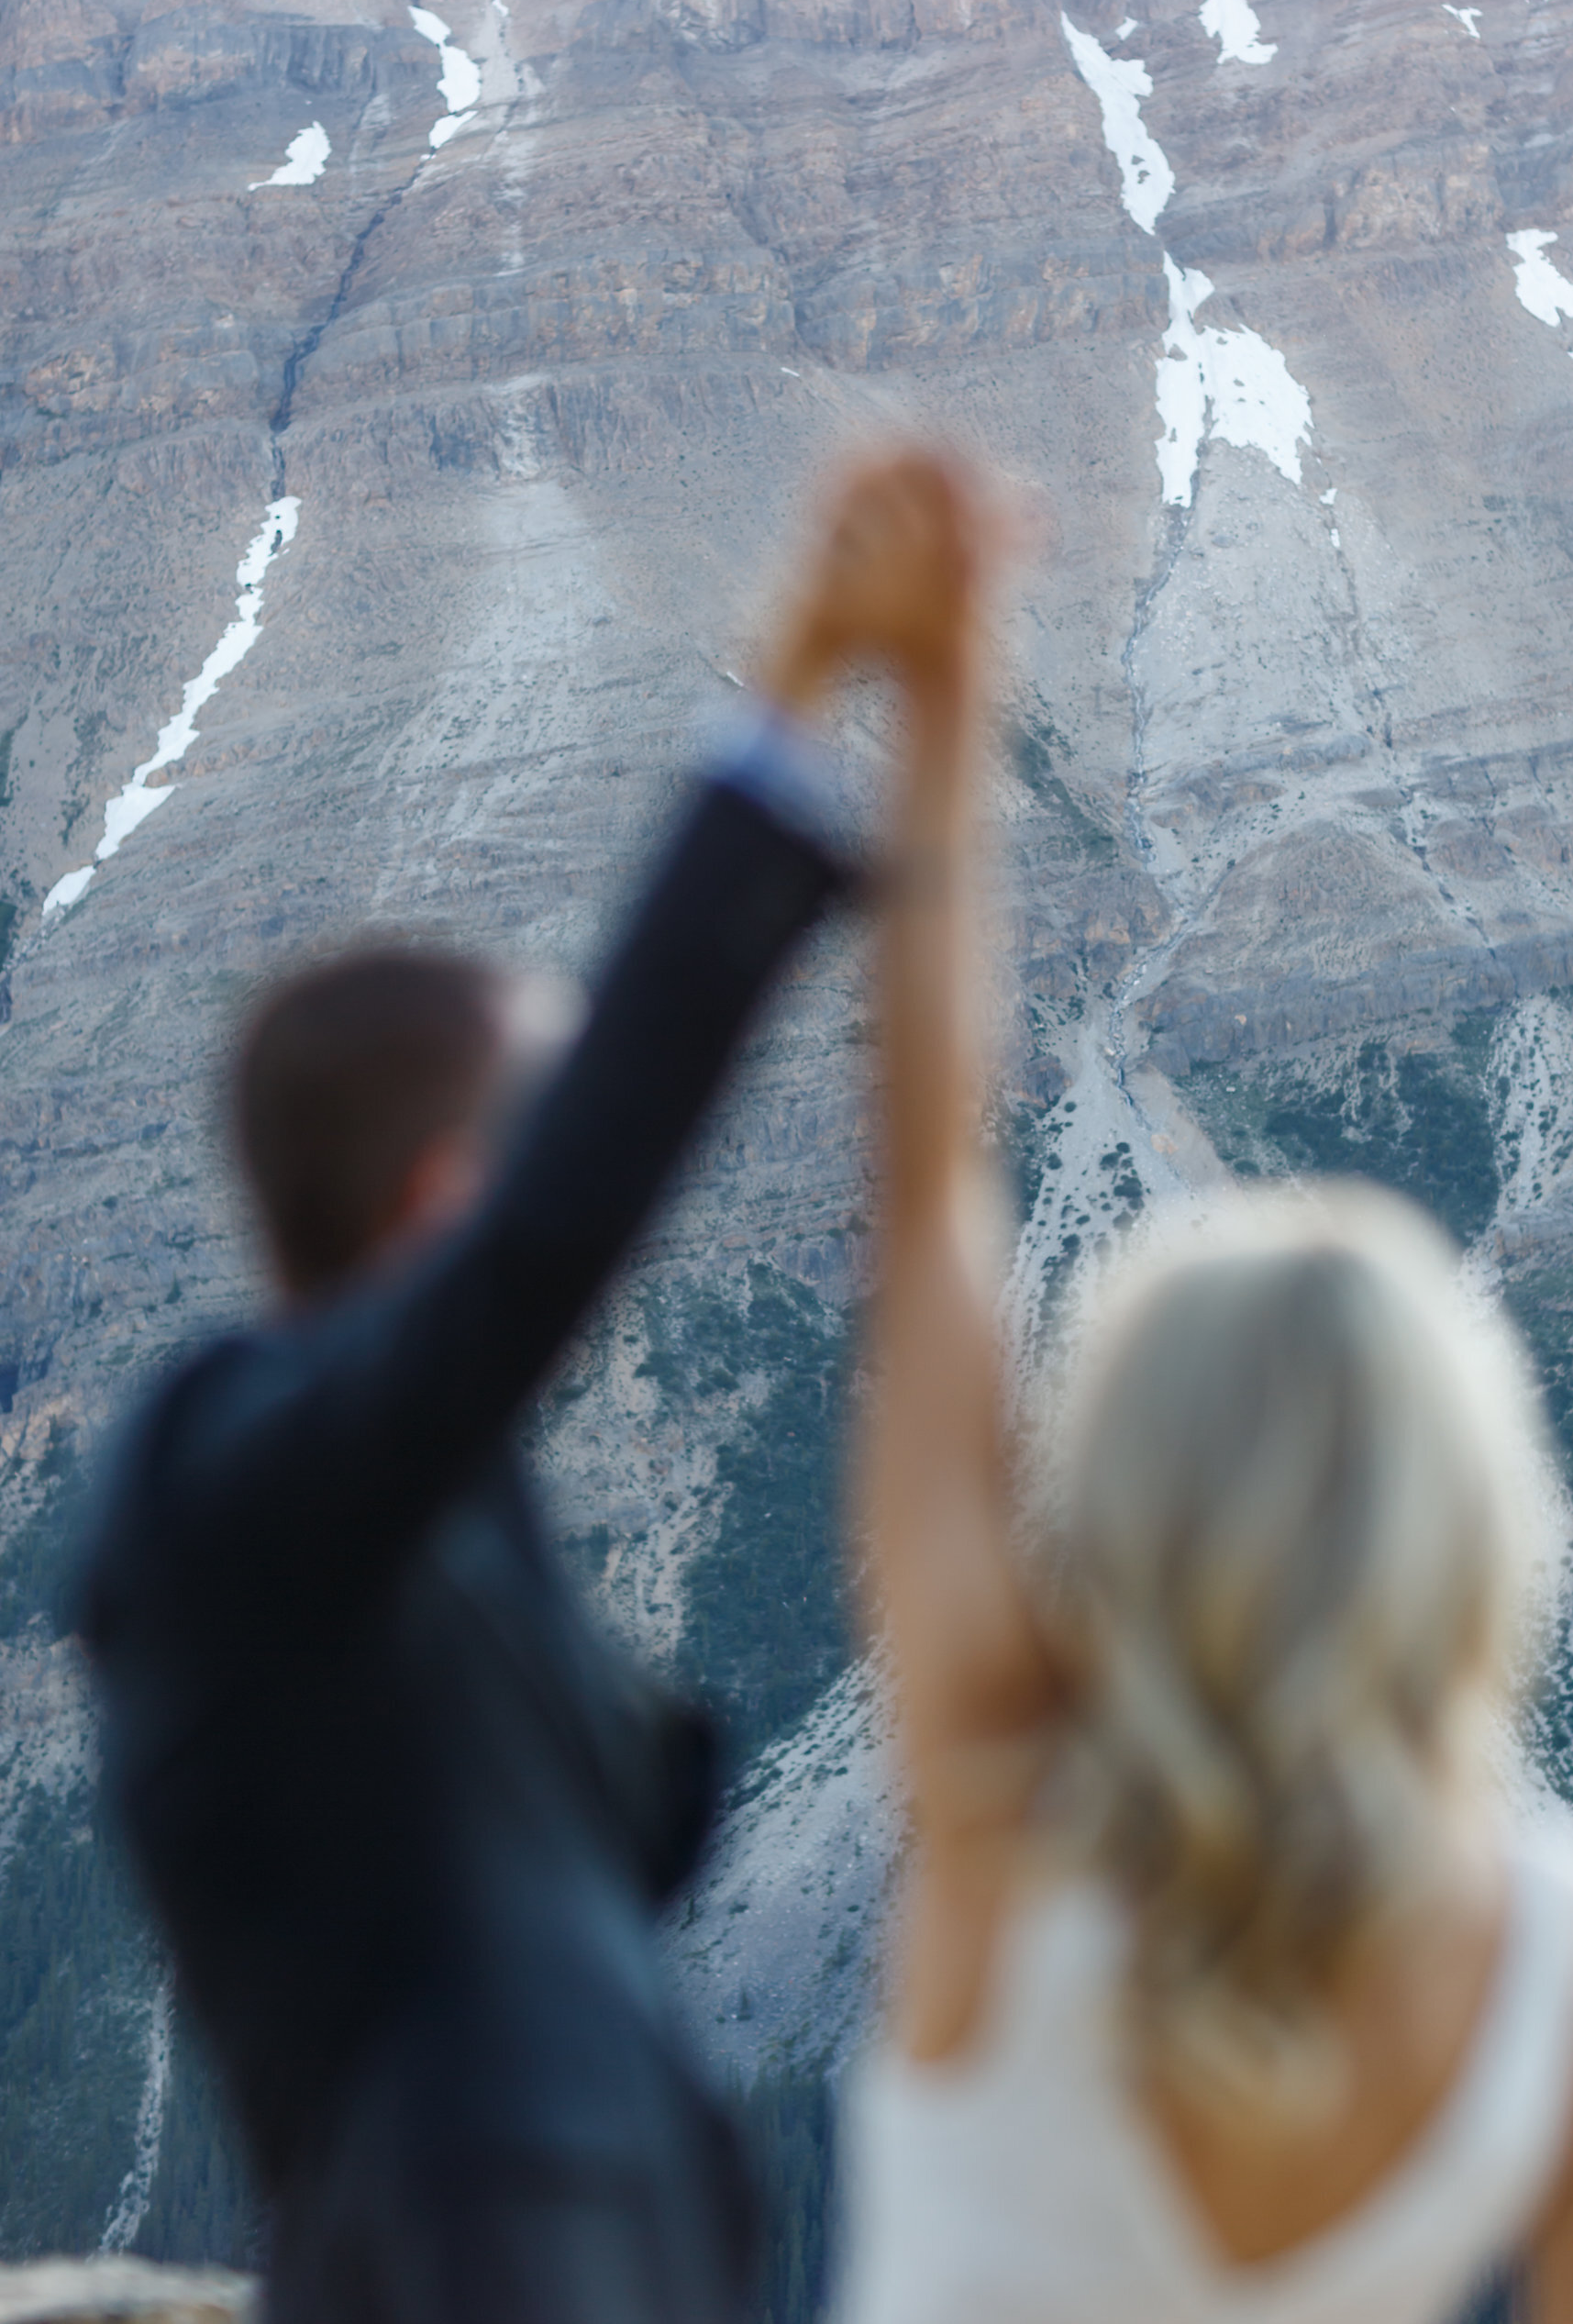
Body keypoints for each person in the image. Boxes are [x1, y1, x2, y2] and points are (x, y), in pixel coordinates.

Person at [78, 450, 966, 2324]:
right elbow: (558, 1240)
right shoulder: (212, 1487)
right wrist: (781, 714)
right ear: (445, 1195)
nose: (590, 1148)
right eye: (543, 1111)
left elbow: (625, 1839)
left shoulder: (441, 1516)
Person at [833, 462, 1573, 2324]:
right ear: (1466, 1517)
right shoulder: (1560, 1952)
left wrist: (948, 705)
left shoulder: (994, 1817)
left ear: (1121, 1480)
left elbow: (927, 1216)